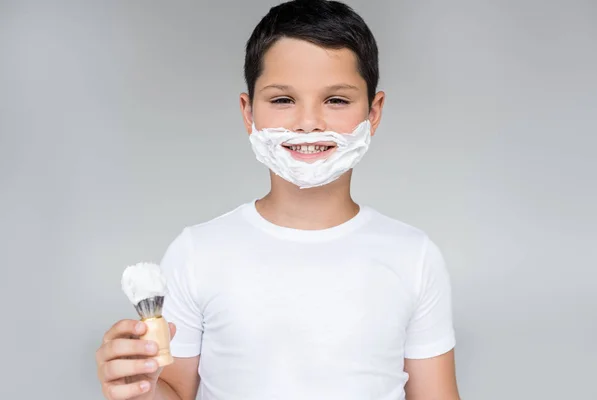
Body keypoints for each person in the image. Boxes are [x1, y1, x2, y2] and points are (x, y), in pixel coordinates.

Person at [95, 0, 461, 399]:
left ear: (373, 113)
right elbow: (174, 393)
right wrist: (139, 388)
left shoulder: (414, 257)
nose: (308, 122)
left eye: (336, 100)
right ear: (248, 112)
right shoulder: (196, 253)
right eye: (283, 100)